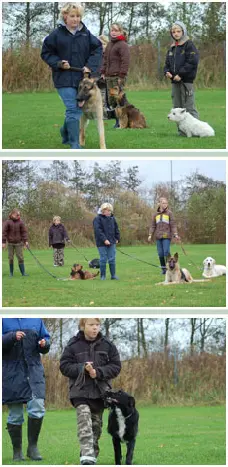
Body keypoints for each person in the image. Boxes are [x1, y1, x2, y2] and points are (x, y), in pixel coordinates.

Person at [60, 318, 121, 465]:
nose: (95, 328)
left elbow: (116, 366)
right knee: (84, 421)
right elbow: (64, 366)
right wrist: (82, 369)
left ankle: (90, 455)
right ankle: (87, 458)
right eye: (91, 325)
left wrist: (98, 372)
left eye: (97, 325)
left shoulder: (108, 345)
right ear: (82, 326)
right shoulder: (72, 345)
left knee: (96, 428)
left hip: (100, 393)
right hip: (79, 392)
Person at [41, 2, 102, 149]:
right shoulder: (56, 35)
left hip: (81, 80)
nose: (75, 19)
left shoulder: (86, 34)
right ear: (65, 16)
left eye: (78, 16)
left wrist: (89, 66)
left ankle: (65, 131)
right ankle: (75, 144)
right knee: (74, 109)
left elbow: (98, 49)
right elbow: (46, 53)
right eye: (72, 16)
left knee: (74, 109)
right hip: (63, 79)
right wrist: (59, 63)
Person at [2, 318, 50, 461]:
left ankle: (32, 447)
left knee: (38, 407)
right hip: (12, 373)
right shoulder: (3, 319)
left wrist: (44, 344)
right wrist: (11, 336)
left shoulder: (36, 319)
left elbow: (46, 340)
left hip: (34, 371)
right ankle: (17, 452)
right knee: (15, 414)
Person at [164, 20, 199, 134]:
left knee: (188, 106)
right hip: (174, 82)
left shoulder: (189, 45)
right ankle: (182, 131)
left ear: (183, 31)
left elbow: (192, 62)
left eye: (178, 31)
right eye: (173, 32)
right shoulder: (172, 47)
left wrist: (181, 74)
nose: (176, 33)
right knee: (177, 107)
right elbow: (167, 64)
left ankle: (195, 130)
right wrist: (167, 72)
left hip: (186, 81)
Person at [100, 23, 130, 128]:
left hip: (117, 76)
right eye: (112, 30)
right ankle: (117, 121)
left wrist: (121, 76)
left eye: (116, 30)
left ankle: (124, 121)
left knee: (119, 99)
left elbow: (125, 61)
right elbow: (105, 60)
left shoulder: (122, 45)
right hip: (109, 76)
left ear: (120, 32)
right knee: (111, 100)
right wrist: (103, 72)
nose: (113, 32)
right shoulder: (109, 44)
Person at [148, 197, 180, 274]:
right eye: (163, 203)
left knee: (166, 252)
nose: (165, 204)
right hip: (158, 237)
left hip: (167, 236)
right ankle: (163, 269)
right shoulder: (155, 214)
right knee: (160, 253)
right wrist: (150, 234)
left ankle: (168, 268)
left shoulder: (169, 213)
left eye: (166, 203)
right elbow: (153, 225)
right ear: (159, 204)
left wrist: (175, 234)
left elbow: (173, 225)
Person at [93, 202, 120, 280]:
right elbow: (98, 231)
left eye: (109, 211)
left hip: (112, 242)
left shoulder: (112, 219)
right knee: (103, 259)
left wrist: (117, 238)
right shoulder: (97, 219)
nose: (108, 212)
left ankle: (113, 275)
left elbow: (116, 229)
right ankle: (103, 276)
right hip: (101, 243)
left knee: (112, 259)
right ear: (102, 210)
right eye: (106, 210)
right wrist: (104, 240)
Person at [2, 208, 29, 277]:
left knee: (20, 257)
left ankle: (23, 273)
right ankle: (11, 273)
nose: (18, 216)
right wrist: (3, 242)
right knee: (10, 258)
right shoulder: (7, 222)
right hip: (10, 243)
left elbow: (24, 232)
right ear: (12, 214)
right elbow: (4, 232)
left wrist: (25, 241)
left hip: (19, 243)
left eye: (19, 215)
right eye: (17, 215)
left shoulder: (21, 222)